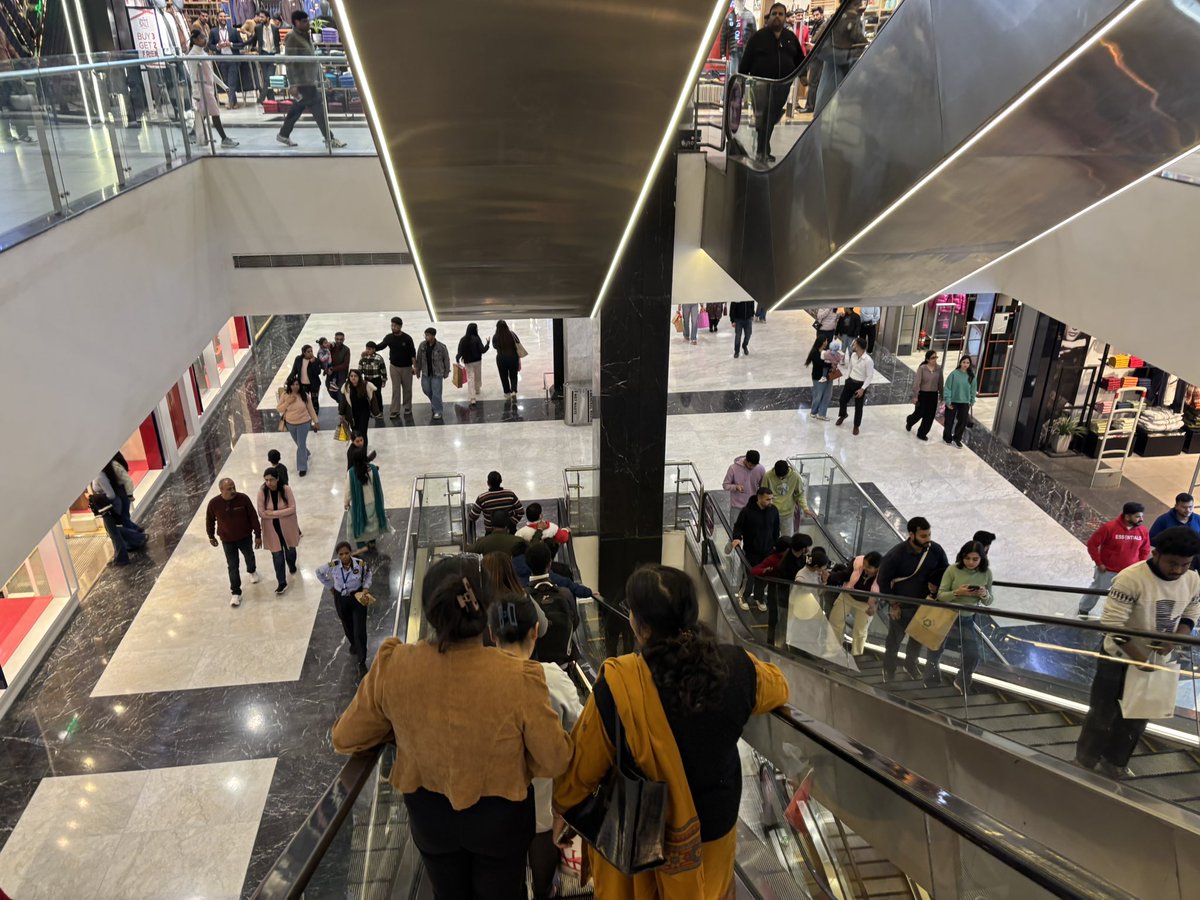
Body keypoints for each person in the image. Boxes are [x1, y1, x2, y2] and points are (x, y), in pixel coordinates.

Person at [332, 555, 572, 897]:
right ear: (486, 610)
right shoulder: (518, 677)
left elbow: (346, 737)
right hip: (501, 820)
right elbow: (555, 760)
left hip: (431, 818)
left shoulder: (394, 665)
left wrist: (401, 726)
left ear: (431, 610)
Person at [554, 565, 789, 898]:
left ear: (641, 625)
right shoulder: (736, 666)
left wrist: (562, 807)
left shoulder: (620, 685)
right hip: (714, 830)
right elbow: (779, 687)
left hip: (643, 837)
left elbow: (581, 770)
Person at [1074, 527, 1200, 778]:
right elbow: (1112, 623)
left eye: (1184, 564)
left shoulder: (1193, 579)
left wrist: (1174, 639)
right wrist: (1138, 658)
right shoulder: (1130, 578)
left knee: (1138, 716)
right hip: (1118, 658)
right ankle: (1085, 761)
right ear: (1156, 554)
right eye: (1172, 563)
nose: (1177, 570)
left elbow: (1191, 613)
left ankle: (1115, 762)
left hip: (1156, 659)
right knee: (1103, 712)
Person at [488, 594, 582, 900]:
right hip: (543, 807)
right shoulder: (553, 678)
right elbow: (579, 728)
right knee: (543, 866)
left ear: (492, 635)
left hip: (494, 808)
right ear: (534, 631)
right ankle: (544, 891)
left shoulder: (477, 683)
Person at [875, 517, 948, 682]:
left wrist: (936, 586)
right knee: (894, 640)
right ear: (911, 534)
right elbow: (883, 581)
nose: (928, 539)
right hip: (901, 606)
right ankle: (889, 668)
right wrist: (893, 604)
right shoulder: (896, 555)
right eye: (923, 536)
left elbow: (945, 570)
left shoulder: (935, 550)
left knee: (917, 639)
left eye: (929, 534)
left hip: (925, 605)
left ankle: (910, 664)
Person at [923, 540, 994, 692]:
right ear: (962, 557)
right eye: (967, 558)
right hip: (947, 616)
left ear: (982, 559)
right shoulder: (953, 570)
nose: (970, 562)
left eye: (975, 559)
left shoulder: (986, 573)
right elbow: (941, 595)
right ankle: (931, 678)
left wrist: (984, 594)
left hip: (967, 619)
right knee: (935, 648)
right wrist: (957, 593)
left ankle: (961, 681)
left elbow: (989, 601)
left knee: (972, 655)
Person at [738, 2, 802, 162]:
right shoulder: (758, 38)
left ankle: (763, 147)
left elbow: (800, 59)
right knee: (763, 117)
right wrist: (740, 81)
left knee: (772, 117)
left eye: (781, 14)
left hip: (782, 86)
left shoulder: (790, 38)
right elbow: (745, 61)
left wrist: (804, 76)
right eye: (774, 14)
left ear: (785, 18)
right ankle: (762, 149)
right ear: (768, 18)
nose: (777, 17)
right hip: (760, 85)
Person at [276, 10, 346, 148]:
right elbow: (289, 62)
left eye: (307, 20)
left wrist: (323, 77)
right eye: (304, 21)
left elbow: (314, 59)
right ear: (296, 22)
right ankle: (329, 138)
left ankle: (283, 134)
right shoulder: (292, 37)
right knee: (317, 109)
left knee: (298, 108)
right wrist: (293, 84)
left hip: (310, 80)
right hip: (302, 82)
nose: (307, 23)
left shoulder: (306, 35)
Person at [1079, 502, 1150, 618]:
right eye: (1137, 517)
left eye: (1142, 516)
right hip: (1107, 570)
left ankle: (1116, 615)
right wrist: (1099, 562)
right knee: (1096, 590)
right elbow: (1092, 544)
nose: (1141, 519)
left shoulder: (1143, 531)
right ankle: (1083, 609)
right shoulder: (1109, 528)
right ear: (1127, 516)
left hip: (1129, 572)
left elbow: (1145, 550)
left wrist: (1140, 565)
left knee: (1125, 596)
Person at [318, 541, 374, 675]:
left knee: (359, 629)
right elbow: (319, 572)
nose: (344, 556)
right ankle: (354, 644)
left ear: (351, 552)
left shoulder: (359, 564)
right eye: (341, 554)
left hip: (357, 597)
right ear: (338, 555)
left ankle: (362, 660)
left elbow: (368, 574)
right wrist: (330, 586)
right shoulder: (333, 565)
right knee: (347, 625)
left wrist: (366, 587)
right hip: (341, 598)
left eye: (346, 553)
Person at [205, 478, 262, 606]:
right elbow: (210, 520)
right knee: (232, 565)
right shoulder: (214, 503)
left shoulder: (243, 499)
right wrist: (211, 536)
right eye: (229, 489)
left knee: (249, 555)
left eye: (233, 487)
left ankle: (252, 571)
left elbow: (253, 516)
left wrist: (258, 534)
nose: (233, 490)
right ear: (221, 490)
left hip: (245, 536)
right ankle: (236, 593)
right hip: (227, 540)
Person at [525, 541, 580, 666]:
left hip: (535, 666)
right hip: (562, 664)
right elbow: (575, 622)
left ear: (528, 565)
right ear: (550, 563)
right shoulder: (565, 593)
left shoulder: (523, 596)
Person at [813, 0, 869, 115]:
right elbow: (821, 50)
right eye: (855, 4)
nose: (859, 6)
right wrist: (849, 55)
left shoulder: (857, 20)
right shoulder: (835, 20)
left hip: (850, 90)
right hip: (832, 84)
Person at [186, 29, 239, 148]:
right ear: (195, 40)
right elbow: (193, 74)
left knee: (204, 113)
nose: (204, 40)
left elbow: (210, 73)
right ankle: (224, 138)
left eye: (204, 37)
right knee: (214, 112)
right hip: (202, 88)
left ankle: (193, 133)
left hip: (208, 87)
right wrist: (196, 93)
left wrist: (223, 85)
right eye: (201, 38)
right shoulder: (193, 55)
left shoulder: (203, 53)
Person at [732, 487, 781, 612]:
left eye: (771, 499)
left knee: (764, 575)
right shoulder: (747, 512)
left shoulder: (773, 511)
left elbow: (776, 529)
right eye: (767, 499)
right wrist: (737, 538)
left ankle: (759, 597)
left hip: (768, 551)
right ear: (759, 498)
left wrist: (776, 546)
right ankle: (743, 596)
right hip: (752, 551)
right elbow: (738, 526)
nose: (771, 502)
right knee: (749, 575)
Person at [827, 551, 881, 656]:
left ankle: (856, 655)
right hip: (848, 595)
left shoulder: (884, 576)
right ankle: (832, 649)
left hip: (867, 603)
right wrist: (830, 576)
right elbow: (846, 575)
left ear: (877, 568)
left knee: (860, 631)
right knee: (835, 621)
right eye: (864, 564)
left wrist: (875, 606)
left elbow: (885, 593)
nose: (864, 568)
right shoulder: (857, 562)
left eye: (869, 567)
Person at [257, 467, 301, 596]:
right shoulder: (262, 492)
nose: (269, 483)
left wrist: (273, 513)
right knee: (277, 557)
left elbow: (292, 508)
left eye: (271, 480)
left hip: (287, 527)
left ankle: (292, 565)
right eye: (266, 480)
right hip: (272, 529)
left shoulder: (286, 489)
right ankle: (281, 582)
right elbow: (261, 513)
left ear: (277, 479)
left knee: (290, 551)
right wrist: (280, 513)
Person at [89, 475, 146, 566]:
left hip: (109, 508)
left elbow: (111, 495)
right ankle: (138, 538)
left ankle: (122, 558)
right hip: (106, 508)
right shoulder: (97, 477)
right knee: (113, 530)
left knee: (114, 533)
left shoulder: (99, 477)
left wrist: (95, 498)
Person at [786, 546, 833, 651]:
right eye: (823, 567)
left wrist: (824, 582)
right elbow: (803, 592)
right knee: (800, 630)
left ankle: (807, 649)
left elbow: (819, 593)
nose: (824, 570)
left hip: (813, 607)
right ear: (816, 566)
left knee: (811, 630)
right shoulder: (801, 577)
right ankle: (796, 649)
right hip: (802, 609)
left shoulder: (815, 573)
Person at [345, 445, 388, 551]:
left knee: (358, 523)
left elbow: (348, 490)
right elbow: (377, 485)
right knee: (373, 523)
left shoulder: (351, 472)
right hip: (373, 501)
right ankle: (372, 541)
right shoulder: (372, 469)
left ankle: (361, 545)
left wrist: (346, 502)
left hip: (359, 504)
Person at [277, 373, 319, 477]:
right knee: (299, 443)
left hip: (304, 423)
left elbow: (311, 409)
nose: (295, 386)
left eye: (297, 384)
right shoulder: (285, 395)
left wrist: (316, 422)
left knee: (300, 444)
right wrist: (288, 402)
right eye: (293, 384)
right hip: (291, 423)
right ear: (289, 385)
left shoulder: (304, 395)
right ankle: (306, 453)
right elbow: (279, 409)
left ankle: (302, 467)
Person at [377, 316, 417, 418]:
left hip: (407, 367)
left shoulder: (407, 338)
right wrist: (371, 348)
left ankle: (407, 407)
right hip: (394, 367)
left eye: (395, 326)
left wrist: (415, 366)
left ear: (400, 326)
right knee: (396, 389)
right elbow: (381, 346)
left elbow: (413, 353)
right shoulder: (389, 337)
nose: (393, 327)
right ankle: (395, 410)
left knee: (407, 389)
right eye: (392, 325)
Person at [836, 337, 875, 435]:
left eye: (854, 344)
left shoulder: (868, 361)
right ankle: (843, 415)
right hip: (850, 381)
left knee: (858, 407)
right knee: (842, 400)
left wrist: (862, 389)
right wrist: (847, 378)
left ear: (858, 346)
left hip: (860, 385)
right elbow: (850, 367)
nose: (852, 345)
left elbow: (869, 376)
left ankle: (856, 426)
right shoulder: (853, 355)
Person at [763, 459, 811, 537]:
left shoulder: (795, 477)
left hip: (787, 514)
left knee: (788, 538)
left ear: (788, 471)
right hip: (771, 513)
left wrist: (805, 508)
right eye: (778, 477)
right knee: (770, 537)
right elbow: (763, 494)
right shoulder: (768, 476)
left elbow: (800, 494)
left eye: (783, 477)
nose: (781, 479)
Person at [413, 327, 451, 420]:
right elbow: (419, 358)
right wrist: (418, 371)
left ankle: (438, 411)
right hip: (426, 373)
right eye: (425, 335)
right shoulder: (422, 346)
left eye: (428, 335)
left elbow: (446, 359)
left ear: (433, 336)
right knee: (426, 389)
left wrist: (446, 372)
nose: (426, 337)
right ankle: (435, 403)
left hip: (437, 374)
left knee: (436, 393)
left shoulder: (441, 347)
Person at [906, 351, 943, 441]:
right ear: (927, 359)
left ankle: (922, 433)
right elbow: (917, 383)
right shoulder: (922, 368)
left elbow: (941, 383)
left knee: (930, 415)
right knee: (920, 413)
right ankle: (910, 420)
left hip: (933, 395)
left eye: (935, 357)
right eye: (932, 358)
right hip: (923, 394)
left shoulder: (939, 369)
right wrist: (915, 396)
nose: (935, 359)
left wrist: (942, 394)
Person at [209, 11, 243, 108]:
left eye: (225, 16)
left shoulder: (233, 31)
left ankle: (230, 102)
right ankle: (235, 102)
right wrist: (217, 46)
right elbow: (210, 45)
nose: (223, 18)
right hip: (222, 60)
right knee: (226, 82)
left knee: (231, 82)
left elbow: (241, 44)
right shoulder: (213, 31)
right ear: (217, 18)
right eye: (221, 16)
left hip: (232, 59)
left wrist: (231, 44)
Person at [942, 355, 977, 448]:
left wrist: (972, 400)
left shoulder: (971, 376)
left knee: (962, 421)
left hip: (965, 402)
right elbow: (947, 388)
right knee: (949, 421)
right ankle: (947, 437)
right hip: (953, 401)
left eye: (967, 363)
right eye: (964, 362)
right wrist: (948, 401)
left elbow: (973, 390)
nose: (965, 364)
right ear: (960, 363)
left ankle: (957, 438)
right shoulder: (954, 374)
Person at [248, 9, 281, 104]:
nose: (260, 19)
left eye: (262, 17)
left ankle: (261, 98)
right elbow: (253, 40)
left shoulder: (275, 28)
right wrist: (237, 44)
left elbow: (277, 42)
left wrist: (278, 54)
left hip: (273, 55)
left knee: (269, 78)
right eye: (259, 17)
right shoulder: (258, 28)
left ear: (268, 17)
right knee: (267, 79)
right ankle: (271, 101)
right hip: (263, 55)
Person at [807, 336, 841, 421]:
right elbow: (819, 364)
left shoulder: (826, 352)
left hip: (829, 376)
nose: (827, 342)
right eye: (825, 340)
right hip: (818, 377)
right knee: (818, 395)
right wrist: (831, 364)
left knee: (827, 395)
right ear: (822, 342)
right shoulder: (815, 353)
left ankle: (822, 414)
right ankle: (813, 412)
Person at [339, 369, 380, 441]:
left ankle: (363, 450)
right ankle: (356, 450)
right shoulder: (346, 387)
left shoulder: (366, 385)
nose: (353, 378)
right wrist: (341, 413)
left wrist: (376, 411)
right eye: (351, 376)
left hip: (364, 413)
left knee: (363, 433)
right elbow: (344, 402)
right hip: (352, 414)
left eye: (355, 376)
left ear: (359, 377)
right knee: (355, 433)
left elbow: (373, 399)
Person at [456, 323, 491, 406]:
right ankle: (477, 389)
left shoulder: (463, 339)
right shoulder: (477, 339)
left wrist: (457, 360)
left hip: (468, 362)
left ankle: (472, 397)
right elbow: (482, 350)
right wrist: (488, 343)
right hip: (477, 361)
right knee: (478, 375)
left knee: (470, 378)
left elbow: (460, 352)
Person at [492, 320, 523, 400]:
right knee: (513, 375)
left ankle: (507, 393)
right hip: (512, 357)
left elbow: (494, 346)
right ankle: (513, 391)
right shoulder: (511, 334)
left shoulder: (495, 336)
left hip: (501, 358)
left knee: (503, 376)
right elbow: (518, 342)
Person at [290, 344, 324, 414]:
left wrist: (313, 363)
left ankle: (315, 418)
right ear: (304, 352)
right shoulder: (298, 359)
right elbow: (294, 371)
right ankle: (306, 417)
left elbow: (318, 372)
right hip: (303, 385)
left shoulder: (316, 360)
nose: (311, 353)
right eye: (308, 352)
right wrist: (288, 380)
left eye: (311, 351)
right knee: (304, 401)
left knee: (314, 401)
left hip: (314, 385)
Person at [357, 343, 388, 419]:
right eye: (367, 348)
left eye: (370, 349)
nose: (368, 350)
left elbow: (383, 369)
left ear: (374, 349)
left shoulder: (379, 358)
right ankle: (371, 411)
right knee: (368, 395)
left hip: (376, 379)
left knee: (377, 395)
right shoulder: (363, 358)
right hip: (367, 380)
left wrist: (384, 380)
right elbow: (360, 369)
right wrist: (358, 378)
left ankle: (380, 411)